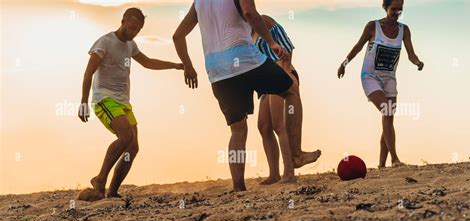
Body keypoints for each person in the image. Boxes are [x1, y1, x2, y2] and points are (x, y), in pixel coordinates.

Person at [173, 0, 319, 192]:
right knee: (291, 89)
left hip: (218, 72)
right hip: (246, 60)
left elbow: (177, 36)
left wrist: (188, 67)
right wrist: (271, 42)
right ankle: (297, 154)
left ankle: (238, 186)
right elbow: (250, 13)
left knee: (238, 130)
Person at [79, 8, 183, 198]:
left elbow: (148, 62)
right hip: (104, 99)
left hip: (123, 102)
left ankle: (113, 191)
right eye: (131, 27)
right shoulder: (105, 42)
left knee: (133, 147)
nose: (133, 32)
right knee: (125, 136)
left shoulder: (131, 45)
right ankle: (100, 178)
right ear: (123, 21)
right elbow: (88, 73)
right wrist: (83, 102)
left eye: (137, 30)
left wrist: (175, 65)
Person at [337, 0, 423, 168]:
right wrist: (344, 63)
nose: (397, 12)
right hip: (370, 77)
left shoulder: (404, 30)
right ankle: (395, 159)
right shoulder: (372, 26)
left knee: (388, 118)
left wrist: (418, 62)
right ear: (385, 8)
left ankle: (382, 166)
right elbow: (358, 46)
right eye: (394, 9)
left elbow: (411, 54)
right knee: (387, 111)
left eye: (400, 9)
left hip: (390, 78)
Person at [254, 15, 321, 184]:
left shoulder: (263, 20)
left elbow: (286, 43)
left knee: (278, 124)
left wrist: (285, 68)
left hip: (280, 72)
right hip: (265, 80)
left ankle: (290, 171)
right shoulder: (242, 30)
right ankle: (274, 173)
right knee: (264, 126)